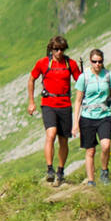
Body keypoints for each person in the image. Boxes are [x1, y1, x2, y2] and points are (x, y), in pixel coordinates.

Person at [27, 35, 81, 185]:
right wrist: (31, 102)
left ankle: (60, 171)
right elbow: (31, 79)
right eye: (56, 49)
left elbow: (80, 81)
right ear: (51, 49)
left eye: (62, 49)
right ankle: (49, 169)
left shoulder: (71, 64)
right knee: (50, 134)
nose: (59, 52)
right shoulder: (43, 63)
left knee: (63, 140)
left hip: (65, 104)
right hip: (48, 103)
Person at [73, 48, 111, 185]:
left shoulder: (109, 76)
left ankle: (104, 172)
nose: (97, 64)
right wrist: (75, 123)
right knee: (91, 150)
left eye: (100, 61)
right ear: (90, 61)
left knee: (106, 145)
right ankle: (91, 181)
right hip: (87, 117)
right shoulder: (84, 77)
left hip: (104, 116)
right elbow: (77, 101)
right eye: (94, 62)